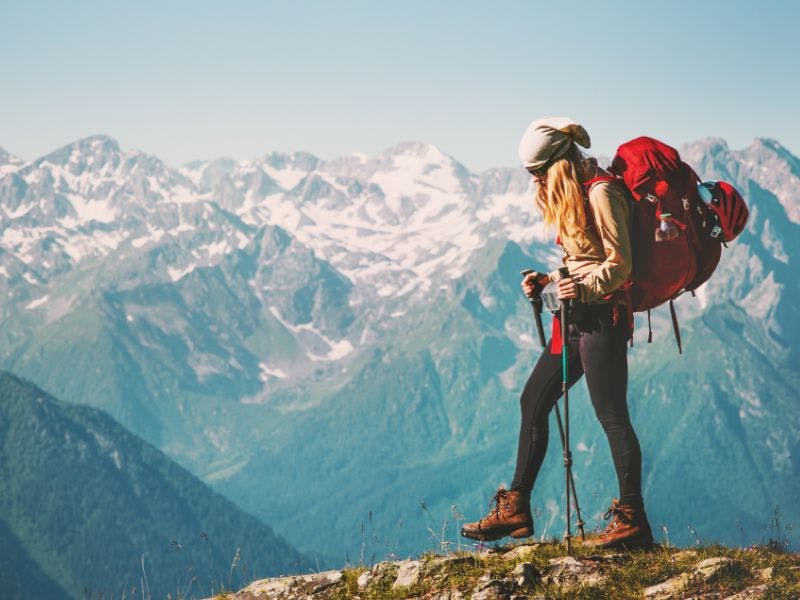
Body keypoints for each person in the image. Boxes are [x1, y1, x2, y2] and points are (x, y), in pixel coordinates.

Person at [460, 117, 653, 549]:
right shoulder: (576, 194)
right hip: (574, 316)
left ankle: (633, 520)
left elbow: (622, 265)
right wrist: (549, 279)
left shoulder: (602, 192)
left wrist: (580, 286)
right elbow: (586, 257)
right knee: (533, 399)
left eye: (539, 174)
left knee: (612, 416)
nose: (537, 183)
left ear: (558, 164)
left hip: (603, 319)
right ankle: (516, 508)